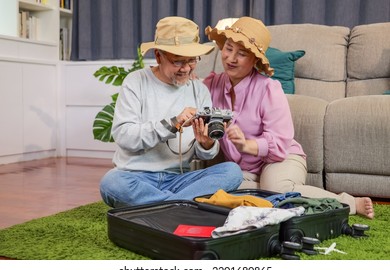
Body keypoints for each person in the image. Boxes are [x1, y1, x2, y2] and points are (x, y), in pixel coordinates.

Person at [203, 16, 374, 219]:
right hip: (244, 170)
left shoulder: (269, 89)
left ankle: (347, 202)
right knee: (218, 188)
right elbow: (190, 96)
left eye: (241, 53)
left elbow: (280, 144)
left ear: (255, 60)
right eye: (228, 48)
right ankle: (267, 192)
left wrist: (246, 145)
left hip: (281, 159)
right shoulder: (212, 84)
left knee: (275, 187)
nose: (231, 58)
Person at [99, 16, 243, 208]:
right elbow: (124, 137)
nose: (186, 69)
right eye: (178, 62)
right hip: (135, 177)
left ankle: (161, 207)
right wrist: (172, 123)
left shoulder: (199, 90)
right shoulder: (136, 82)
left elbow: (205, 155)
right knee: (111, 183)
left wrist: (207, 145)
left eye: (191, 60)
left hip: (178, 181)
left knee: (232, 172)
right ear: (159, 56)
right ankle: (179, 205)